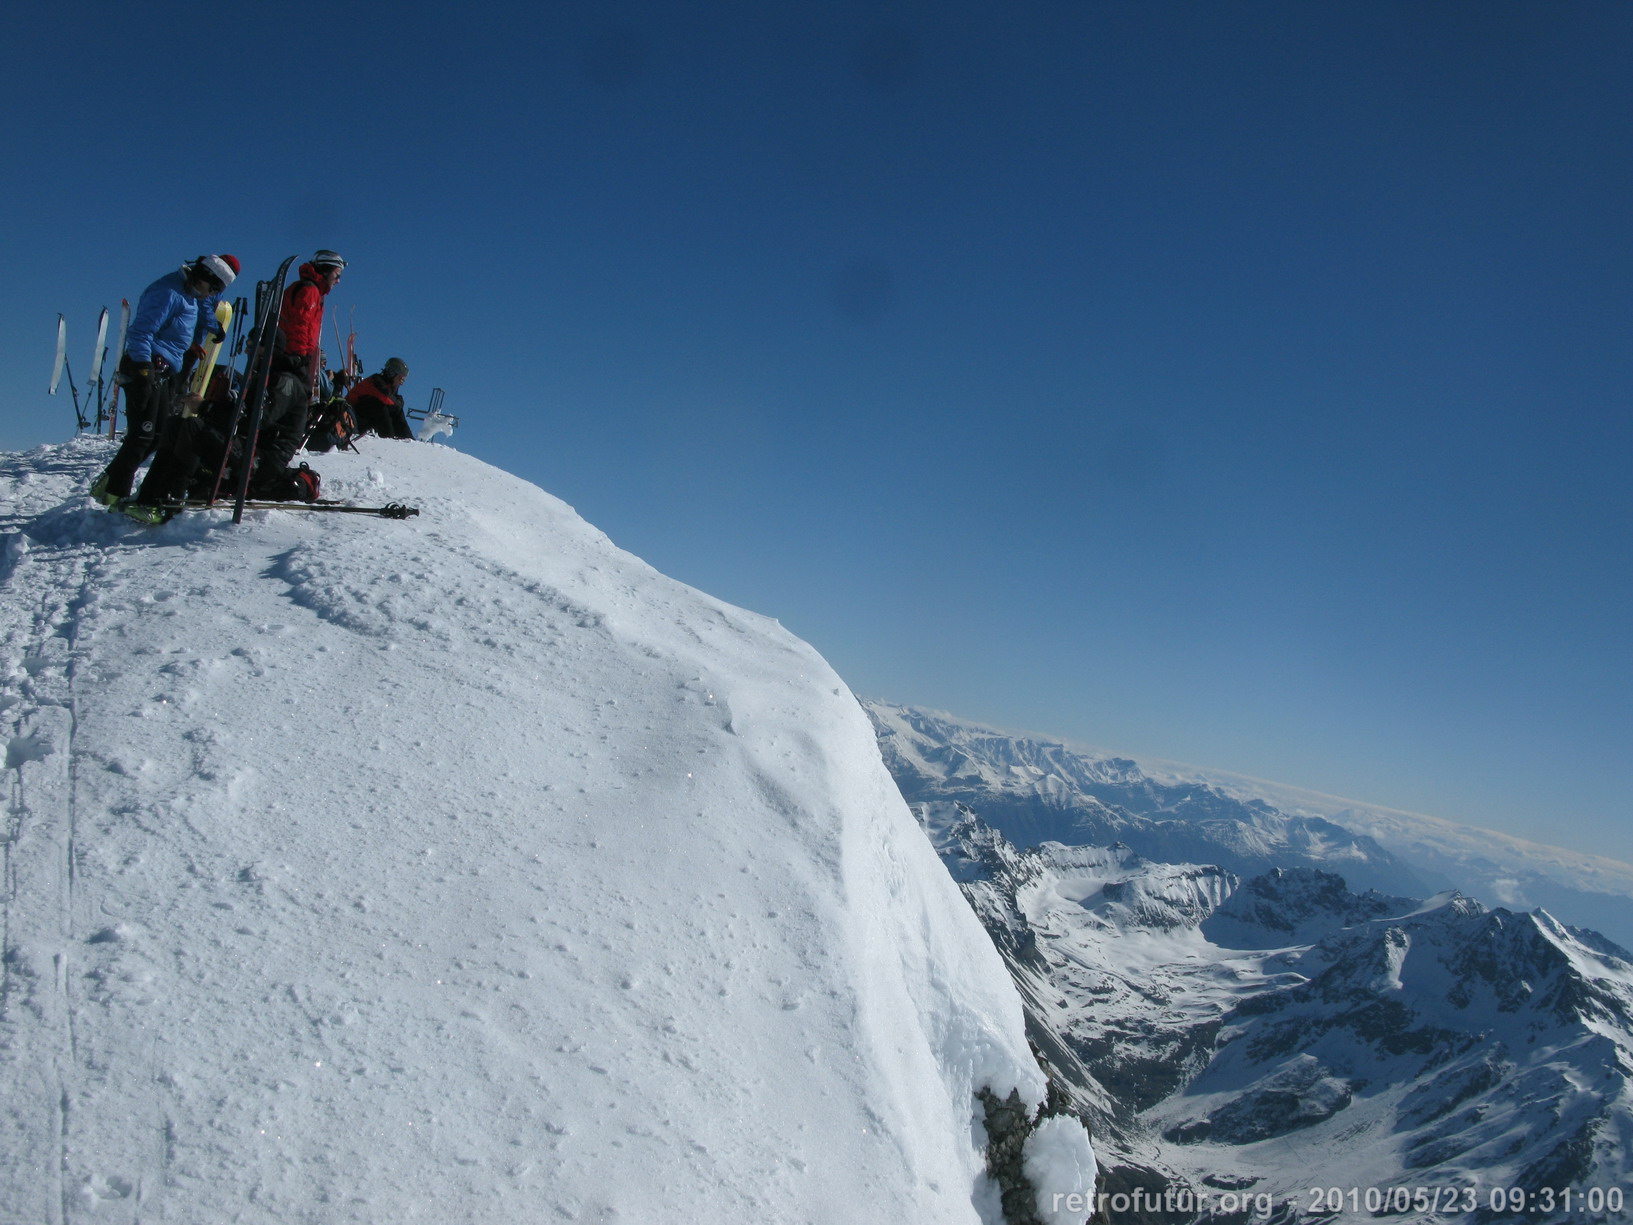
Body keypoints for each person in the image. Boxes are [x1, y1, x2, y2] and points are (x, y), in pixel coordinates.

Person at [90, 254, 238, 507]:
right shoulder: (168, 292)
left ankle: (108, 483)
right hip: (145, 367)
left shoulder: (190, 294)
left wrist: (212, 326)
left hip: (165, 368)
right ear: (204, 277)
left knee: (158, 436)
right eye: (212, 288)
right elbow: (141, 331)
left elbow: (198, 314)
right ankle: (115, 494)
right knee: (142, 436)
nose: (210, 294)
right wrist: (143, 368)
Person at [249, 249, 346, 495]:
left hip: (287, 359)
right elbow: (301, 324)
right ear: (326, 270)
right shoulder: (309, 290)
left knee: (281, 424)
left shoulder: (306, 289)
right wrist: (301, 356)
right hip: (292, 362)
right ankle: (261, 478)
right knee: (293, 427)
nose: (338, 280)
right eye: (337, 273)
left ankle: (259, 471)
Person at [347, 358, 413, 439]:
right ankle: (389, 439)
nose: (401, 383)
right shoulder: (376, 381)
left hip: (364, 416)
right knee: (379, 406)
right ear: (392, 374)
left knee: (396, 412)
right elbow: (386, 398)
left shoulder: (388, 385)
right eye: (400, 379)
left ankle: (408, 439)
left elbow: (395, 406)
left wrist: (398, 403)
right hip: (352, 415)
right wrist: (398, 403)